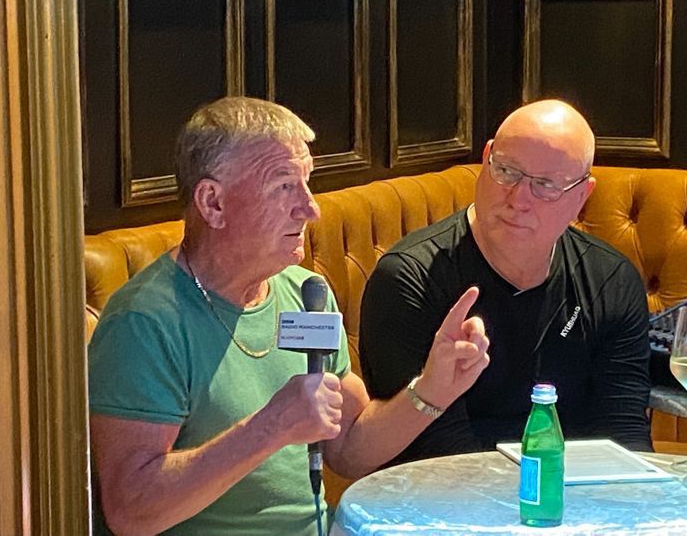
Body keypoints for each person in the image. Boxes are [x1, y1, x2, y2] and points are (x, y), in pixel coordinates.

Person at [87, 96, 489, 535]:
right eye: (283, 186)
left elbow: (348, 448)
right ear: (213, 203)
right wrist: (271, 427)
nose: (310, 208)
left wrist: (432, 388)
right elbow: (131, 512)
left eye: (306, 183)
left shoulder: (306, 294)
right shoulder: (144, 323)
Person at [359, 99, 653, 465]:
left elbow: (623, 436)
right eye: (506, 171)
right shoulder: (410, 278)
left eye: (545, 185)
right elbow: (437, 452)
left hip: (569, 487)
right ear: (486, 159)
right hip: (445, 488)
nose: (518, 198)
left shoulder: (611, 280)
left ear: (582, 195)